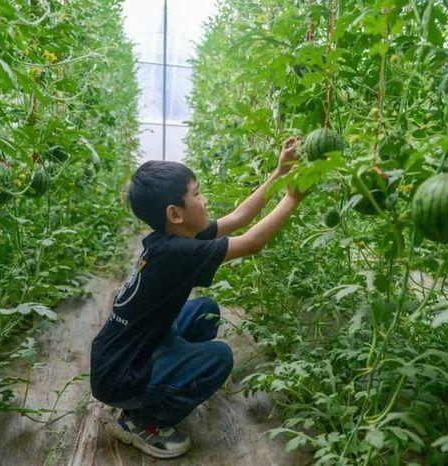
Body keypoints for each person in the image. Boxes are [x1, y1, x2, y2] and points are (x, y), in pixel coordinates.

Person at [89, 137, 304, 458]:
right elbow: (252, 242)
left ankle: (171, 380)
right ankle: (141, 422)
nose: (204, 199)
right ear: (175, 213)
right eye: (197, 193)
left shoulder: (172, 237)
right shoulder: (177, 251)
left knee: (206, 309)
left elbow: (238, 219)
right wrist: (293, 198)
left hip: (124, 353)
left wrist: (278, 173)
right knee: (219, 358)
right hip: (119, 377)